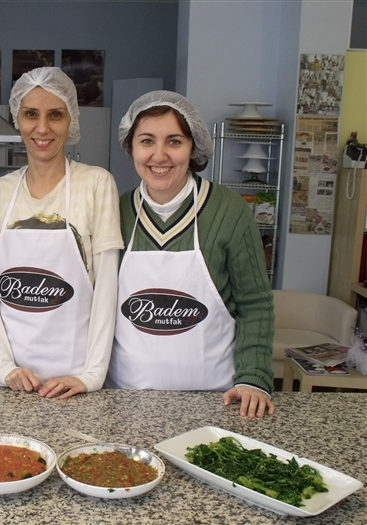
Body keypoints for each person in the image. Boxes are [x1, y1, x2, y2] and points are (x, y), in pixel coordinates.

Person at [108, 90, 275, 418]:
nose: (159, 155)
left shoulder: (229, 211)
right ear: (130, 147)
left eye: (174, 141)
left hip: (216, 400)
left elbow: (255, 304)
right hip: (125, 398)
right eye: (146, 141)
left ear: (193, 146)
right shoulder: (115, 211)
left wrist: (254, 378)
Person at [0, 67, 123, 400]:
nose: (42, 128)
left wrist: (92, 375)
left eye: (55, 115)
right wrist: (5, 367)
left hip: (73, 379)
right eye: (31, 114)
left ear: (71, 121)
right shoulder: (1, 191)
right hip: (8, 382)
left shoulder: (96, 184)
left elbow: (106, 288)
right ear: (17, 118)